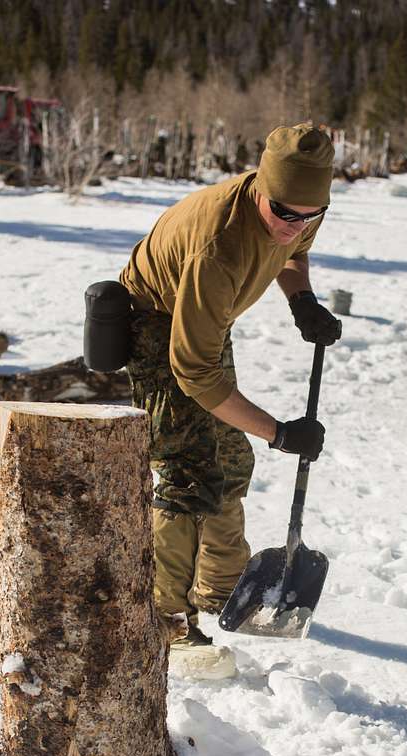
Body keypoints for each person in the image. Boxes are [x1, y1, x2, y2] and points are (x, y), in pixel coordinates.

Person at [120, 123, 341, 667]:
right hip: (155, 320)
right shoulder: (219, 247)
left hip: (204, 322)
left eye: (309, 215)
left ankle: (219, 588)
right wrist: (280, 432)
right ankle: (163, 620)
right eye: (284, 213)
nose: (295, 226)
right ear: (262, 190)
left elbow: (294, 255)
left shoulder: (303, 203)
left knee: (231, 457)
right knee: (186, 468)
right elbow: (196, 373)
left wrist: (302, 301)